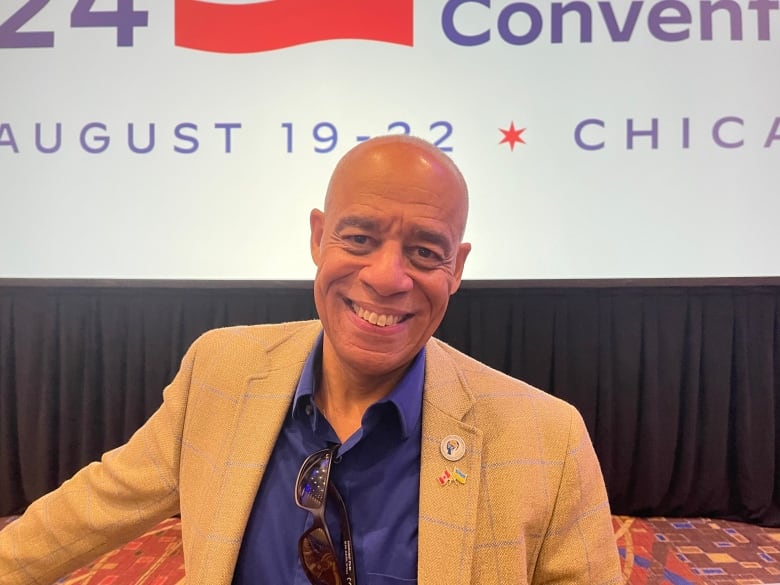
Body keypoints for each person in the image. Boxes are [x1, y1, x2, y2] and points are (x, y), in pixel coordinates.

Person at [0, 135, 622, 584]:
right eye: (359, 238)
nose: (386, 277)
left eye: (425, 252)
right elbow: (93, 507)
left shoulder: (546, 438)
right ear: (318, 236)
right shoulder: (222, 372)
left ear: (456, 267)